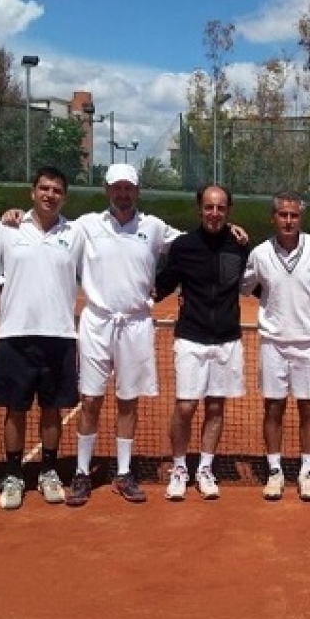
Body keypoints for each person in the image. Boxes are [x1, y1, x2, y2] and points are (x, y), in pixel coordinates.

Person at [66, 163, 184, 506]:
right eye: (116, 187)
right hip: (97, 322)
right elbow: (51, 234)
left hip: (136, 325)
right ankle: (82, 472)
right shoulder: (87, 225)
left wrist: (231, 231)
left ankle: (123, 472)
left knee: (128, 401)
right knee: (90, 399)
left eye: (128, 188)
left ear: (138, 191)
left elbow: (193, 245)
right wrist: (17, 218)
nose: (122, 193)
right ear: (106, 190)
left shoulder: (155, 227)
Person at [0, 166, 83, 510]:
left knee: (52, 409)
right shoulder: (6, 230)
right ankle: (13, 473)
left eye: (57, 190)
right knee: (15, 409)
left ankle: (48, 472)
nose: (50, 195)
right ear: (32, 192)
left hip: (59, 335)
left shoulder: (75, 233)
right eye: (44, 188)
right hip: (15, 335)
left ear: (64, 197)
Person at [154, 184, 249, 501]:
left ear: (228, 211)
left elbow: (259, 285)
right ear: (200, 209)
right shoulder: (183, 246)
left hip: (226, 341)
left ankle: (205, 468)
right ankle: (179, 467)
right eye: (209, 207)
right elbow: (162, 285)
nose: (214, 213)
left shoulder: (238, 246)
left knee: (215, 407)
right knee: (185, 407)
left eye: (221, 207)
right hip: (191, 339)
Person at [241, 191, 310, 502]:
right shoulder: (259, 253)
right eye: (283, 214)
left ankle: (307, 472)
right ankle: (275, 471)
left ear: (301, 218)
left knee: (309, 409)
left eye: (294, 215)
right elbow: (245, 286)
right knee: (273, 408)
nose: (289, 220)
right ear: (273, 217)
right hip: (273, 343)